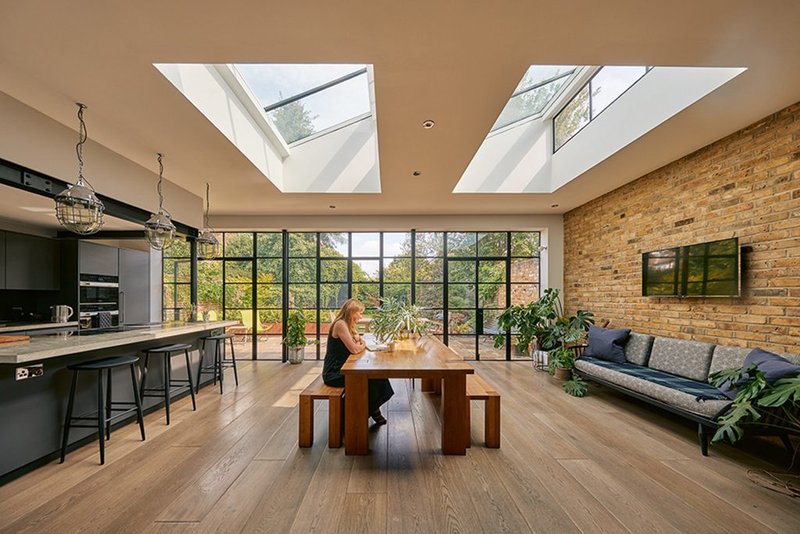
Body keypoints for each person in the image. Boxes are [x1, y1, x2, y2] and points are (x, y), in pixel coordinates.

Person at [322, 298, 394, 425]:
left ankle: (361, 413)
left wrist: (359, 342)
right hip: (335, 372)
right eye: (359, 313)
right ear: (351, 312)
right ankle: (355, 418)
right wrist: (361, 344)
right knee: (371, 381)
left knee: (379, 377)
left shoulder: (347, 325)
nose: (361, 316)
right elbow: (355, 349)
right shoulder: (340, 324)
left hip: (344, 367)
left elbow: (358, 342)